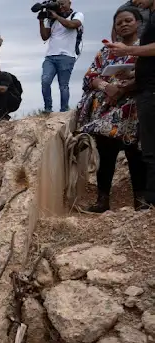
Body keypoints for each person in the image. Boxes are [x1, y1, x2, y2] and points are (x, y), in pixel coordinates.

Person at [78, 8, 144, 212]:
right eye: (119, 23)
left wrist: (124, 87)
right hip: (106, 107)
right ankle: (102, 200)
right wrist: (107, 87)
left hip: (132, 108)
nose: (123, 25)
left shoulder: (144, 48)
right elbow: (89, 77)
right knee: (105, 153)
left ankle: (140, 201)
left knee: (135, 153)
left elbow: (148, 76)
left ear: (138, 23)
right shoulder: (106, 50)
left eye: (128, 20)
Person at [106, 0, 155, 207]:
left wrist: (129, 51)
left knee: (149, 151)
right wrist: (133, 74)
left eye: (129, 20)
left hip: (149, 93)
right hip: (145, 89)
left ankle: (150, 201)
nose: (135, 0)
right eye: (119, 23)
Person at [39, 0, 84, 113]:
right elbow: (45, 37)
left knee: (63, 85)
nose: (61, 6)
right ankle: (48, 109)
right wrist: (41, 21)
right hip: (50, 56)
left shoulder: (77, 15)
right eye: (58, 4)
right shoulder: (52, 20)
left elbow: (72, 25)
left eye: (63, 3)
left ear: (69, 3)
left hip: (67, 56)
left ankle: (64, 110)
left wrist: (56, 16)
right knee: (45, 81)